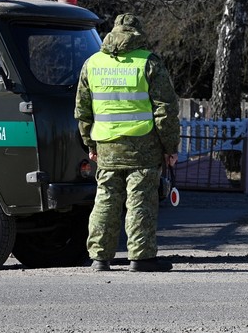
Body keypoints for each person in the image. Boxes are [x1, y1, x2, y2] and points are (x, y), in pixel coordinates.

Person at [75, 13, 180, 272]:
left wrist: (90, 144)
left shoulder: (92, 63)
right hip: (143, 146)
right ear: (138, 34)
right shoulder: (148, 63)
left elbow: (82, 110)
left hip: (106, 146)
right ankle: (141, 257)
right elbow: (165, 110)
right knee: (140, 200)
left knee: (106, 199)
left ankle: (99, 258)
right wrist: (170, 148)